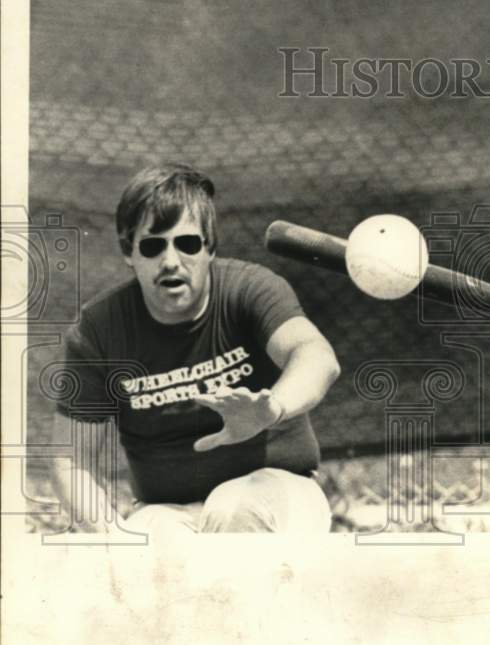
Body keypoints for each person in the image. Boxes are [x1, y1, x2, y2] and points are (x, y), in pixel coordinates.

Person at [50, 163, 340, 534]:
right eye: (152, 246)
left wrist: (273, 409)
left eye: (186, 243)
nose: (170, 261)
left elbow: (315, 356)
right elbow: (71, 461)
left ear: (210, 247)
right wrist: (112, 538)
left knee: (233, 510)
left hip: (276, 487)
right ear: (129, 252)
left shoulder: (249, 289)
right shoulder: (100, 329)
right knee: (152, 539)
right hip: (165, 507)